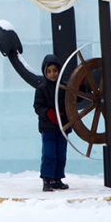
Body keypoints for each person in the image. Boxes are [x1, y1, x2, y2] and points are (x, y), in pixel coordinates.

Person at [34, 55, 69, 192]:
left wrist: (82, 84)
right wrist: (49, 114)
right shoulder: (41, 88)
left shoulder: (65, 87)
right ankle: (47, 179)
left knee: (61, 153)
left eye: (55, 70)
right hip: (48, 127)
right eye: (49, 71)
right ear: (45, 72)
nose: (52, 74)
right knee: (49, 153)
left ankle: (57, 179)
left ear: (59, 71)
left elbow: (75, 98)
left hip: (62, 127)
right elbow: (38, 106)